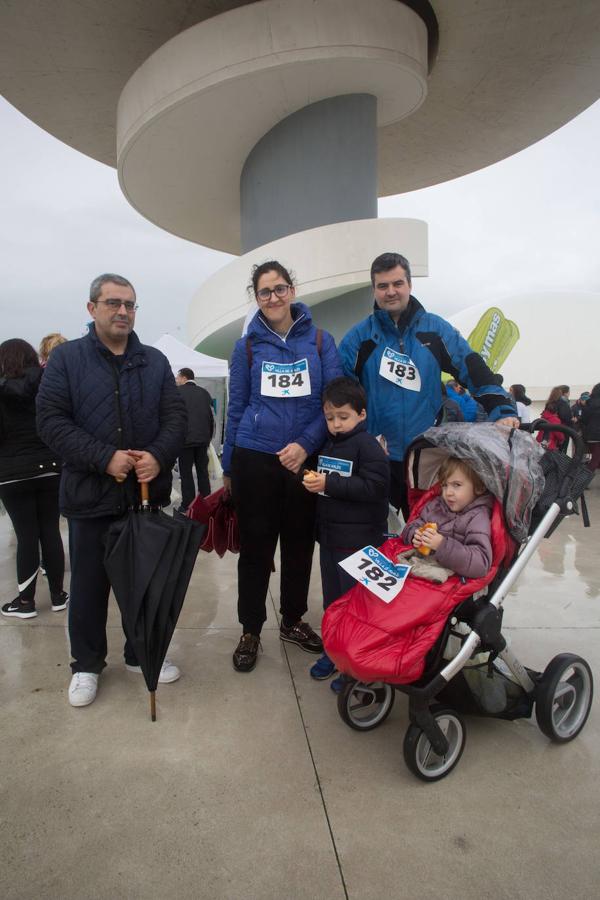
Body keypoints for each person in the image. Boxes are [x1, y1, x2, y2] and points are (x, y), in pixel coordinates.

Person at [36, 273, 187, 708]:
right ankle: (86, 664)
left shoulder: (154, 361)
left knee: (144, 584)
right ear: (92, 309)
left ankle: (140, 654)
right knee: (87, 588)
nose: (123, 311)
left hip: (143, 499)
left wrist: (158, 456)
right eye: (113, 303)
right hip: (89, 498)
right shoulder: (67, 360)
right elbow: (50, 420)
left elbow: (175, 417)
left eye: (130, 304)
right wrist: (104, 457)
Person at [222, 260, 343, 672]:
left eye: (279, 289)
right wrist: (228, 466)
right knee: (255, 549)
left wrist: (304, 445)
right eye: (264, 292)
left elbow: (333, 405)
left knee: (298, 546)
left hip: (303, 460)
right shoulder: (247, 347)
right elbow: (236, 408)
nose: (272, 297)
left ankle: (292, 620)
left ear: (292, 289)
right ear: (255, 298)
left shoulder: (322, 342)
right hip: (254, 458)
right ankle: (250, 629)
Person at [338, 252, 519, 517]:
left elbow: (473, 368)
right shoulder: (358, 337)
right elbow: (340, 394)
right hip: (376, 457)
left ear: (410, 284)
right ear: (374, 290)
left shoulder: (435, 330)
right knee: (377, 536)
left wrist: (502, 410)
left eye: (397, 283)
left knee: (425, 537)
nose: (391, 292)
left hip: (427, 455)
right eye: (383, 286)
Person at [302, 376, 390, 690]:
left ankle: (354, 667)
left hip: (359, 544)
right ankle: (334, 652)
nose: (336, 424)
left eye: (343, 417)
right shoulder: (330, 443)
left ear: (362, 415)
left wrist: (329, 483)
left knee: (356, 606)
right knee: (333, 603)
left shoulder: (367, 446)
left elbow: (376, 486)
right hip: (331, 539)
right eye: (330, 418)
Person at [0, 339, 67, 618]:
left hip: (11, 472)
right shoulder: (46, 383)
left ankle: (26, 603)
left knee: (26, 535)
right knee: (50, 531)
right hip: (50, 466)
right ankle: (57, 595)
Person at [401, 456, 493, 579]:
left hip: (454, 577)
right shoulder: (436, 505)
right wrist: (414, 535)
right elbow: (412, 525)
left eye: (456, 485)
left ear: (478, 487)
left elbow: (480, 564)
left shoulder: (478, 518)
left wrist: (441, 545)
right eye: (444, 485)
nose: (448, 492)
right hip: (424, 567)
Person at [175, 367, 214, 510]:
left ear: (184, 377)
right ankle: (206, 502)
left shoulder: (177, 393)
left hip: (185, 440)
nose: (176, 380)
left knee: (186, 474)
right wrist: (209, 438)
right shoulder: (205, 393)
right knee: (202, 472)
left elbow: (175, 418)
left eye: (178, 377)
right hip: (203, 440)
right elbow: (211, 418)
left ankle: (188, 504)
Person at [537, 386, 568, 450]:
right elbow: (559, 434)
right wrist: (562, 440)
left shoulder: (543, 418)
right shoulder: (555, 419)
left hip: (540, 442)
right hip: (550, 445)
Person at [581, 383, 600, 470]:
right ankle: (581, 480)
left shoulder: (588, 404)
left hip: (590, 436)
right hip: (598, 436)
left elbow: (584, 420)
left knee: (595, 459)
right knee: (595, 461)